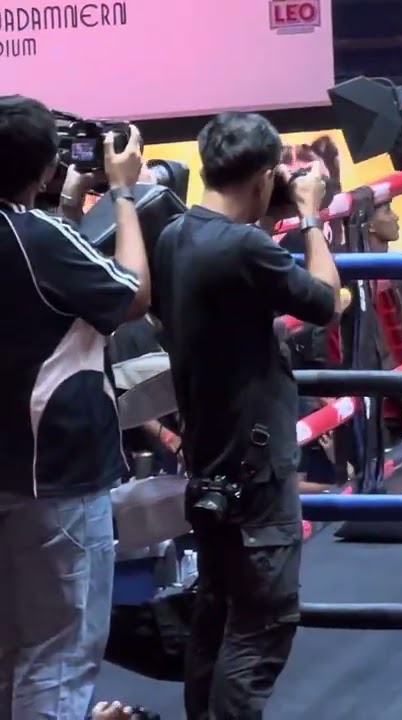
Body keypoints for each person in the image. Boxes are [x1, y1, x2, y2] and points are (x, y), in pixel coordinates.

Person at [148, 112, 340, 719]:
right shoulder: (245, 247)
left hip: (210, 457)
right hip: (255, 470)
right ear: (263, 177)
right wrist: (310, 215)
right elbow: (326, 302)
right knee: (261, 624)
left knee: (216, 613)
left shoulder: (174, 235)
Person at [0, 95, 148, 720]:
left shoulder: (36, 234)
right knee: (58, 656)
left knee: (11, 651)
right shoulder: (36, 237)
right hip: (52, 476)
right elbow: (131, 294)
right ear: (44, 166)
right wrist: (124, 194)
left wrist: (61, 206)